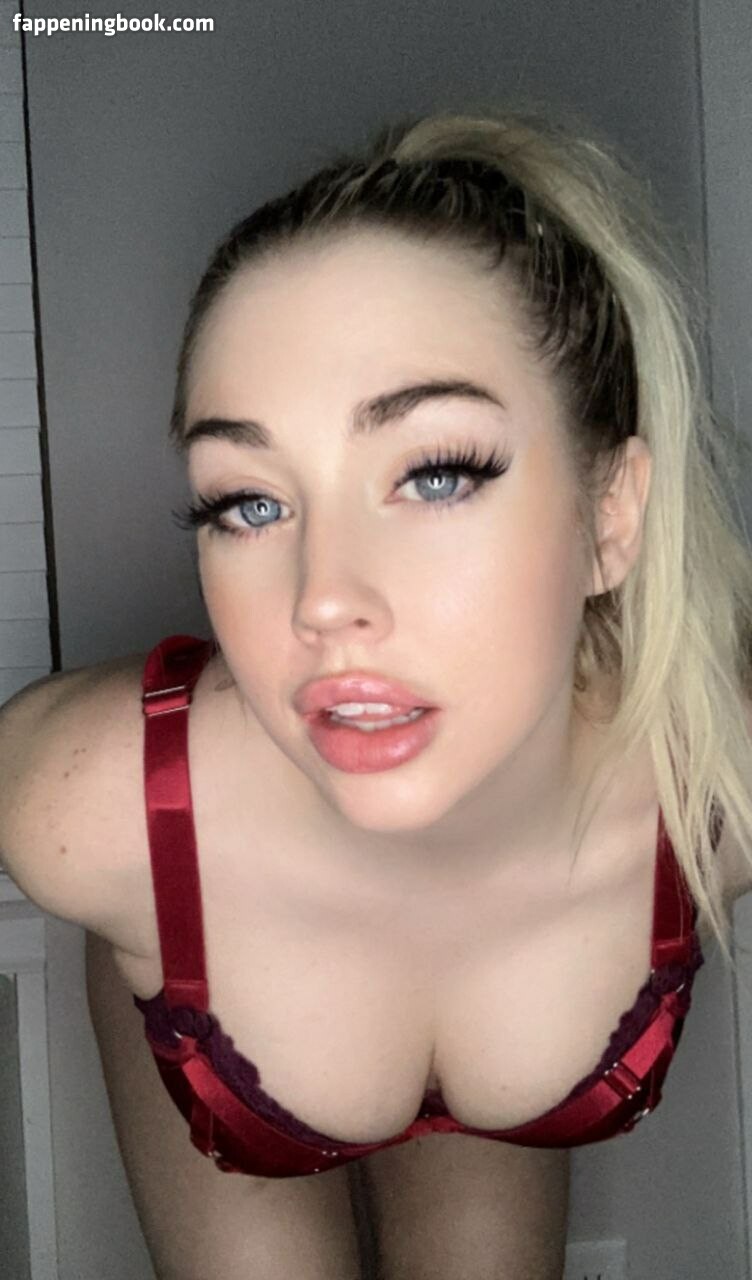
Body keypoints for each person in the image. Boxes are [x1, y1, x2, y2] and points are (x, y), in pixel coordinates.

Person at [2, 101, 752, 1280]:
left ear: (609, 515)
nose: (322, 599)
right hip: (207, 949)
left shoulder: (720, 780)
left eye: (435, 474)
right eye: (248, 500)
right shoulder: (79, 806)